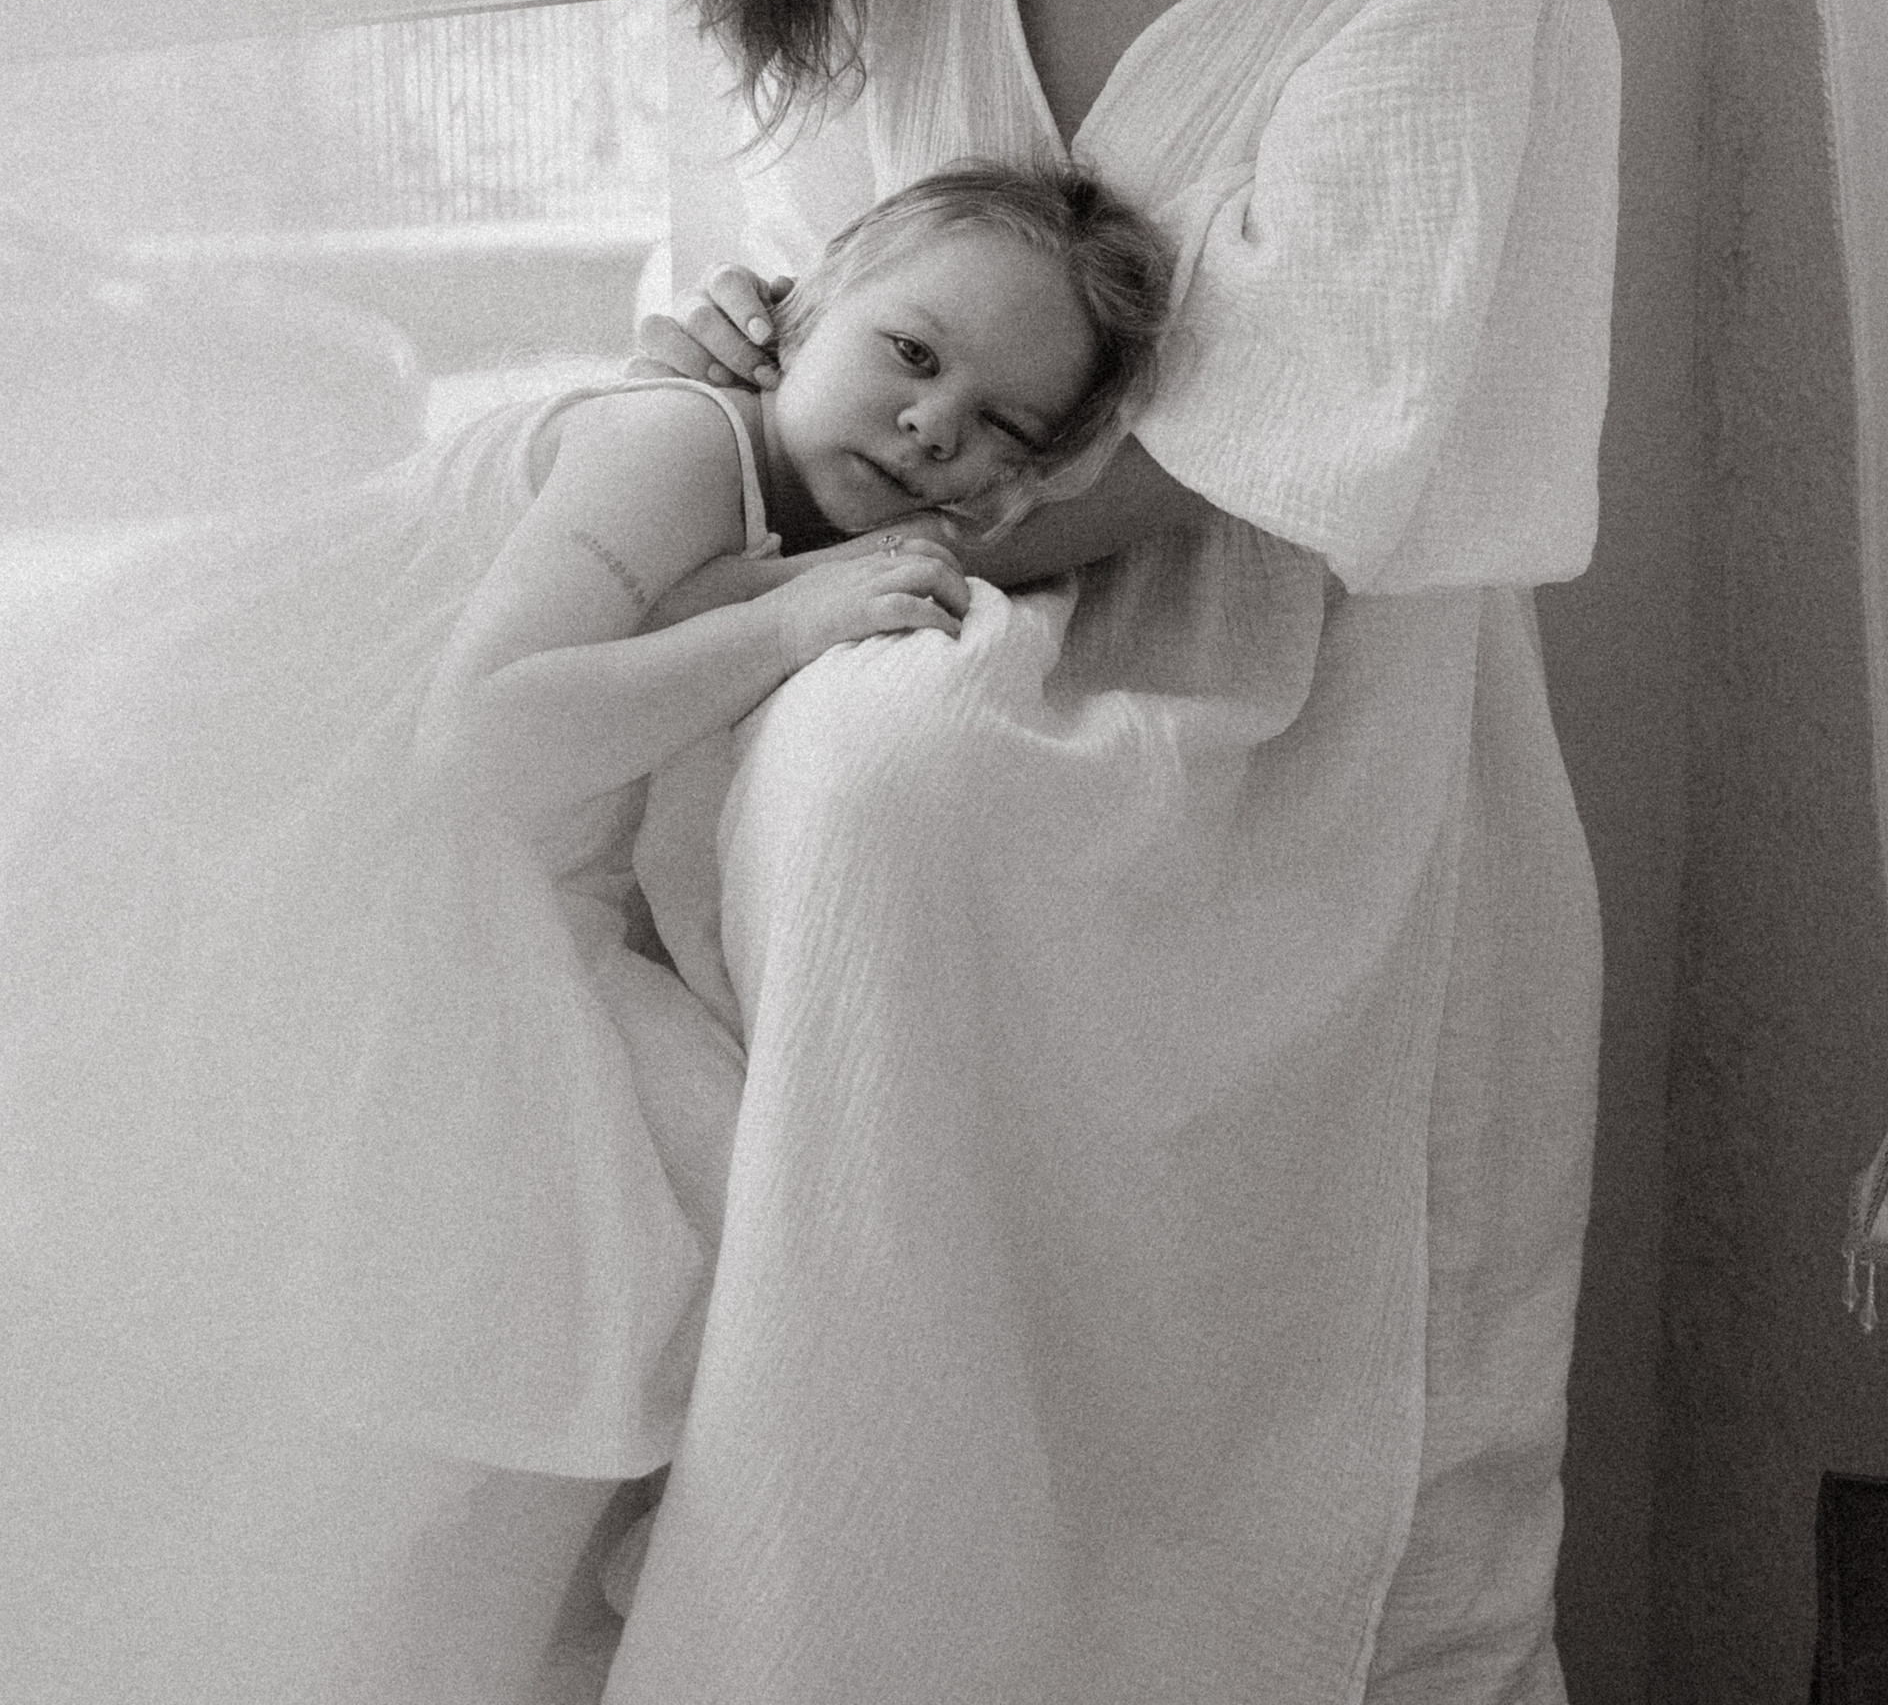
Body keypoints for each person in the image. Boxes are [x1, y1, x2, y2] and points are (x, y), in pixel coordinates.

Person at [612, 0, 1620, 1704]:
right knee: (823, 783)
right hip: (923, 637)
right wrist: (749, 358)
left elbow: (1328, 401)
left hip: (1293, 705)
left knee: (888, 780)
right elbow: (798, 273)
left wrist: (872, 535)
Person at [0, 157, 1172, 1705]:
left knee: (681, 1223)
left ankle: (537, 1604)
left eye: (1003, 426)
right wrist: (783, 623)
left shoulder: (791, 514)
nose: (935, 424)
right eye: (910, 351)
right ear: (798, 312)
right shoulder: (677, 444)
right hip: (249, 818)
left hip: (442, 874)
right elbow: (488, 739)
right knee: (549, 1276)